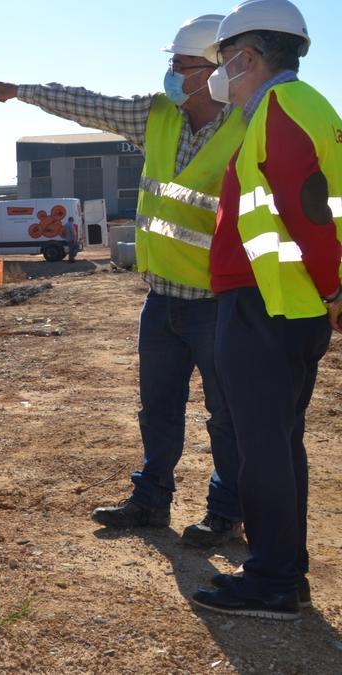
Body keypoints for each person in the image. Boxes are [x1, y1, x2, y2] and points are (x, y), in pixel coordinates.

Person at [0, 14, 248, 546]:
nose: (171, 75)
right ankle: (150, 501)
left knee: (228, 416)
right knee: (158, 408)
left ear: (214, 71)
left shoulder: (248, 126)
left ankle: (226, 510)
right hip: (161, 297)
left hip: (218, 302)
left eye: (181, 65)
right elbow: (87, 103)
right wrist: (23, 92)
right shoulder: (157, 114)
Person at [188, 0, 340, 620]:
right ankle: (286, 572)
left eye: (224, 61)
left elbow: (308, 212)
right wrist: (330, 291)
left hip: (265, 303)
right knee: (279, 443)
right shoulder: (312, 109)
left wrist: (331, 290)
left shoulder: (278, 110)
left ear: (248, 57)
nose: (219, 74)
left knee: (262, 449)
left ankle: (274, 578)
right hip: (288, 303)